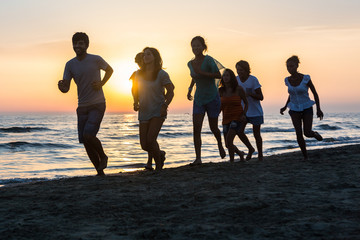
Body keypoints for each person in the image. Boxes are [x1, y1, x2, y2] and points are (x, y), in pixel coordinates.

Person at [58, 32, 113, 176]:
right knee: (85, 141)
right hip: (82, 106)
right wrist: (62, 87)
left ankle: (104, 156)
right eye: (75, 43)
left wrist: (101, 83)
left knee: (88, 135)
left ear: (86, 45)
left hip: (97, 103)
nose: (77, 46)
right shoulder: (69, 65)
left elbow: (110, 70)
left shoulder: (96, 59)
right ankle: (99, 172)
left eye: (81, 43)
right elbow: (66, 87)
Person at [132, 47, 174, 171]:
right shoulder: (138, 74)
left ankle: (159, 166)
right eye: (144, 54)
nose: (145, 56)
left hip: (157, 110)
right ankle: (160, 154)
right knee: (144, 145)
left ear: (155, 57)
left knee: (151, 140)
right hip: (144, 110)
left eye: (149, 54)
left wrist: (165, 105)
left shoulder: (162, 74)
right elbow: (135, 90)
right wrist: (135, 102)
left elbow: (171, 91)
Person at [187, 36, 226, 165]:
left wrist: (202, 73)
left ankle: (220, 144)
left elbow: (218, 75)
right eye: (193, 46)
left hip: (212, 97)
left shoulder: (208, 60)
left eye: (198, 45)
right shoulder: (190, 63)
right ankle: (198, 158)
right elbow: (194, 76)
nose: (195, 48)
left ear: (203, 47)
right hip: (199, 98)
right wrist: (190, 89)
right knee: (196, 128)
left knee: (213, 127)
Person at [280, 55, 324, 161]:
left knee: (307, 133)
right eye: (288, 67)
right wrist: (285, 106)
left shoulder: (306, 78)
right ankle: (305, 156)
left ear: (297, 66)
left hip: (307, 107)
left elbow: (315, 93)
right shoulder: (287, 80)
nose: (289, 69)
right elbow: (291, 94)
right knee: (298, 133)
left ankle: (314, 134)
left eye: (292, 66)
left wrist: (318, 108)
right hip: (294, 109)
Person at [219, 69, 250, 162]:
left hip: (237, 118)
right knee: (227, 144)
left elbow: (246, 103)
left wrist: (244, 114)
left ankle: (232, 161)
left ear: (231, 77)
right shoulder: (220, 91)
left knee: (229, 140)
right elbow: (220, 106)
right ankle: (239, 155)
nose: (225, 77)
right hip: (226, 118)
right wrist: (214, 115)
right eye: (224, 75)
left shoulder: (238, 89)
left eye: (227, 75)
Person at [236, 60, 263, 161]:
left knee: (256, 134)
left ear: (247, 70)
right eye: (238, 70)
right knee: (239, 131)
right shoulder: (236, 80)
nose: (239, 72)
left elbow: (261, 97)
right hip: (243, 111)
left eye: (241, 70)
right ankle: (250, 149)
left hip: (255, 111)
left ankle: (260, 155)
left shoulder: (253, 80)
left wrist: (250, 94)